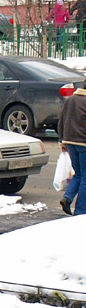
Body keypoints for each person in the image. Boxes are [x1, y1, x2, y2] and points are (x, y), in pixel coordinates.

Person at [57, 86, 86, 215]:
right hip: (83, 143)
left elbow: (62, 120)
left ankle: (67, 198)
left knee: (78, 174)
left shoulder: (71, 99)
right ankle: (80, 211)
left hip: (69, 142)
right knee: (85, 177)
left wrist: (62, 140)